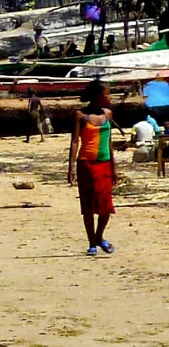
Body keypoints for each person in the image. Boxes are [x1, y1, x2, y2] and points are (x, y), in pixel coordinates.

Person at [71, 86, 117, 255]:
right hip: (86, 164)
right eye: (107, 93)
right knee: (89, 205)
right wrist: (71, 168)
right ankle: (92, 242)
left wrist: (114, 167)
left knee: (106, 206)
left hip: (104, 164)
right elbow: (75, 141)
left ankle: (99, 236)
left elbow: (109, 142)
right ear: (98, 96)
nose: (109, 96)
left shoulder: (108, 114)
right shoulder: (80, 115)